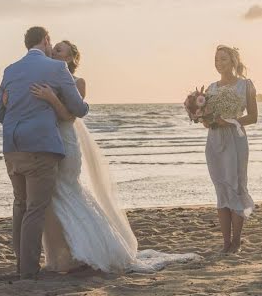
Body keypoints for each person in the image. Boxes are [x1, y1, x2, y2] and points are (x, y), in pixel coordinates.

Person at [30, 41, 200, 273]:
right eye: (53, 48)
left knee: (66, 188)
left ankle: (87, 250)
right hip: (49, 139)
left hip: (67, 140)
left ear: (70, 58)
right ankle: (65, 253)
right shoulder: (48, 78)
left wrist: (51, 98)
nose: (53, 52)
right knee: (56, 194)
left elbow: (70, 116)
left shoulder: (78, 83)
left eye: (59, 50)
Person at [0, 26, 89, 279]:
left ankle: (21, 263)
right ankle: (28, 270)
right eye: (52, 43)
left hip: (12, 149)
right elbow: (80, 110)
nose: (53, 48)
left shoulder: (10, 70)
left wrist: (9, 104)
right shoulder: (56, 70)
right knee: (35, 209)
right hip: (41, 149)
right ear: (46, 41)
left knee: (20, 205)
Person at [204, 45, 257, 253]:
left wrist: (231, 121)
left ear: (233, 61)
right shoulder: (211, 88)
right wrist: (202, 117)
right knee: (221, 189)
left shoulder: (246, 85)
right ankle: (225, 242)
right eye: (217, 60)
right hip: (215, 141)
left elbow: (253, 116)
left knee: (236, 186)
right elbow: (207, 122)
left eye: (224, 59)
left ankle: (236, 241)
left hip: (236, 139)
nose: (219, 63)